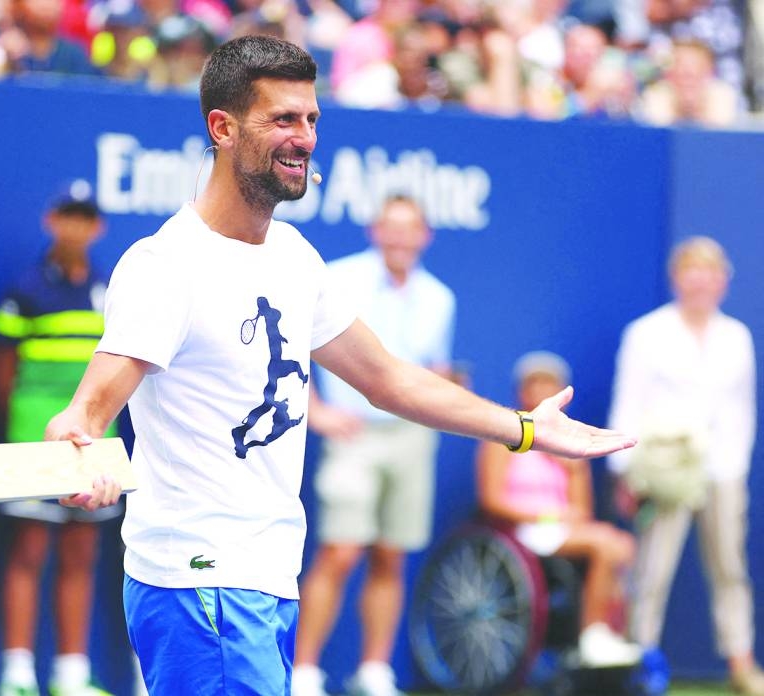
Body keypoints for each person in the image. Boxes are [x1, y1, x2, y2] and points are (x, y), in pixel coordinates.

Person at [44, 34, 635, 696]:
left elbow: (390, 379)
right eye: (283, 120)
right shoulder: (165, 267)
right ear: (223, 128)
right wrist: (78, 442)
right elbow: (91, 406)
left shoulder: (293, 256)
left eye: (311, 120)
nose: (304, 138)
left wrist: (524, 428)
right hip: (199, 583)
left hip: (266, 576)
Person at [291, 194, 455, 696]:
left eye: (411, 228)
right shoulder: (338, 279)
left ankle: (373, 671)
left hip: (411, 436)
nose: (401, 238)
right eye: (392, 227)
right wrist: (316, 410)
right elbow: (293, 344)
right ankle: (303, 673)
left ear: (425, 236)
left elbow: (434, 370)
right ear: (374, 230)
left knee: (390, 554)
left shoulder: (439, 298)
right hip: (355, 435)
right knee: (339, 551)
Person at [608, 236, 763, 695]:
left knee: (730, 569)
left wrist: (730, 468)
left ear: (723, 281)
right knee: (651, 570)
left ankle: (741, 663)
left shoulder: (736, 337)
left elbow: (742, 410)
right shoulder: (645, 333)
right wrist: (626, 472)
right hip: (663, 472)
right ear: (676, 278)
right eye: (690, 269)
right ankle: (641, 661)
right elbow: (628, 403)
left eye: (709, 270)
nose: (700, 279)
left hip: (722, 472)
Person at [0, 180, 121, 696]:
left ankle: (71, 676)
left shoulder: (109, 290)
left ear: (97, 228)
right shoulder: (26, 288)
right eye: (67, 215)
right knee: (28, 551)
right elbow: (3, 372)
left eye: (85, 218)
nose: (75, 227)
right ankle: (17, 677)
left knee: (81, 552)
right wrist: (25, 434)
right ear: (51, 221)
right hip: (33, 439)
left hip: (92, 445)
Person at [479, 351, 641, 668]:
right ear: (521, 391)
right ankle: (593, 636)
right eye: (534, 383)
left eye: (549, 383)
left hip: (562, 532)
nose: (541, 390)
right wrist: (545, 516)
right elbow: (492, 500)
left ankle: (611, 632)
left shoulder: (568, 444)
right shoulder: (500, 439)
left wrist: (570, 468)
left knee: (621, 544)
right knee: (607, 544)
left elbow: (581, 510)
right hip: (519, 534)